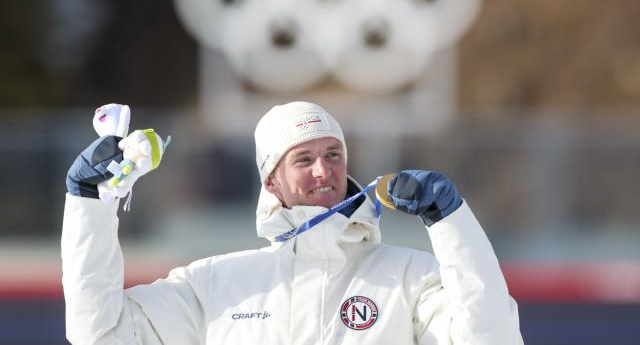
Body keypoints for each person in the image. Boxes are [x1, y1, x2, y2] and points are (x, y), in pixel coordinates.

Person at [62, 101, 524, 344]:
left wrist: (451, 222)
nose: (323, 170)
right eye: (303, 159)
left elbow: (490, 340)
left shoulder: (409, 277)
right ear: (271, 181)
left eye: (333, 155)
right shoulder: (216, 284)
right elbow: (101, 334)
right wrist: (88, 206)